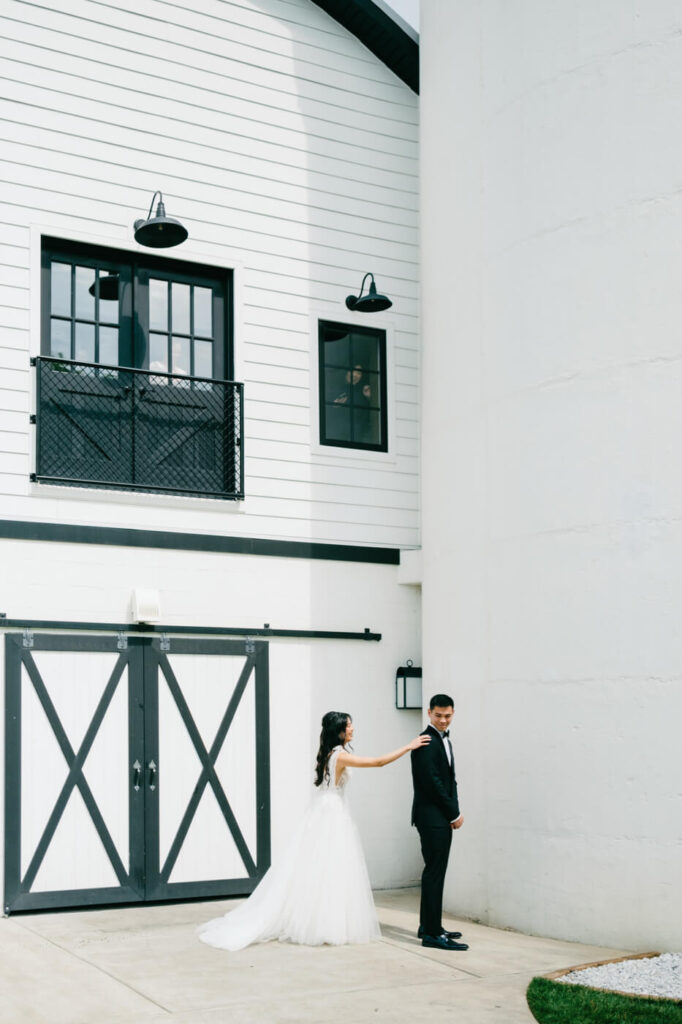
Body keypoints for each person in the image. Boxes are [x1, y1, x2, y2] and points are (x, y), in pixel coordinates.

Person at [198, 711, 430, 950]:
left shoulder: (330, 753)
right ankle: (326, 924)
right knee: (330, 866)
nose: (352, 729)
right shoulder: (339, 756)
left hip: (328, 809)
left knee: (324, 868)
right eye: (349, 726)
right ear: (339, 731)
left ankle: (327, 920)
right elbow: (378, 762)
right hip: (333, 813)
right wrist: (409, 747)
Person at [410, 694, 468, 951]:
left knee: (435, 872)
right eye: (438, 715)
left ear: (453, 713)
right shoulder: (424, 742)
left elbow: (450, 779)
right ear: (429, 713)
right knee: (434, 873)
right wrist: (454, 814)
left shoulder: (445, 740)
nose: (443, 720)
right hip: (431, 818)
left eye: (448, 715)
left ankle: (429, 925)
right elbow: (432, 784)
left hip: (440, 816)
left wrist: (454, 809)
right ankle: (432, 934)